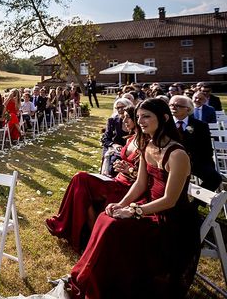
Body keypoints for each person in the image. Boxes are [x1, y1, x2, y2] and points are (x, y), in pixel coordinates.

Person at [67, 98, 200, 298]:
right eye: (138, 117)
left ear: (164, 118)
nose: (141, 121)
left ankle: (107, 282)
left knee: (114, 226)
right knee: (106, 216)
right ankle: (91, 278)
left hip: (172, 220)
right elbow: (139, 184)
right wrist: (120, 204)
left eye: (146, 116)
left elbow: (170, 200)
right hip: (148, 206)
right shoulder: (148, 146)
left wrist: (133, 211)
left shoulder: (177, 154)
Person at [46, 107, 139, 252]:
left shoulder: (145, 143)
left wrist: (130, 170)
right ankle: (82, 232)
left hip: (128, 187)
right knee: (80, 179)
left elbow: (147, 177)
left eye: (128, 117)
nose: (124, 120)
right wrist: (121, 165)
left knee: (82, 182)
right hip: (117, 179)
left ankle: (92, 238)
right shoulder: (131, 138)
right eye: (123, 116)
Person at [169, 95, 222, 191]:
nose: (173, 107)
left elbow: (207, 149)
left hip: (194, 162)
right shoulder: (165, 125)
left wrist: (204, 165)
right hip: (170, 161)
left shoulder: (200, 125)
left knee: (215, 178)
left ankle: (195, 204)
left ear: (188, 109)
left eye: (178, 106)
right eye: (171, 105)